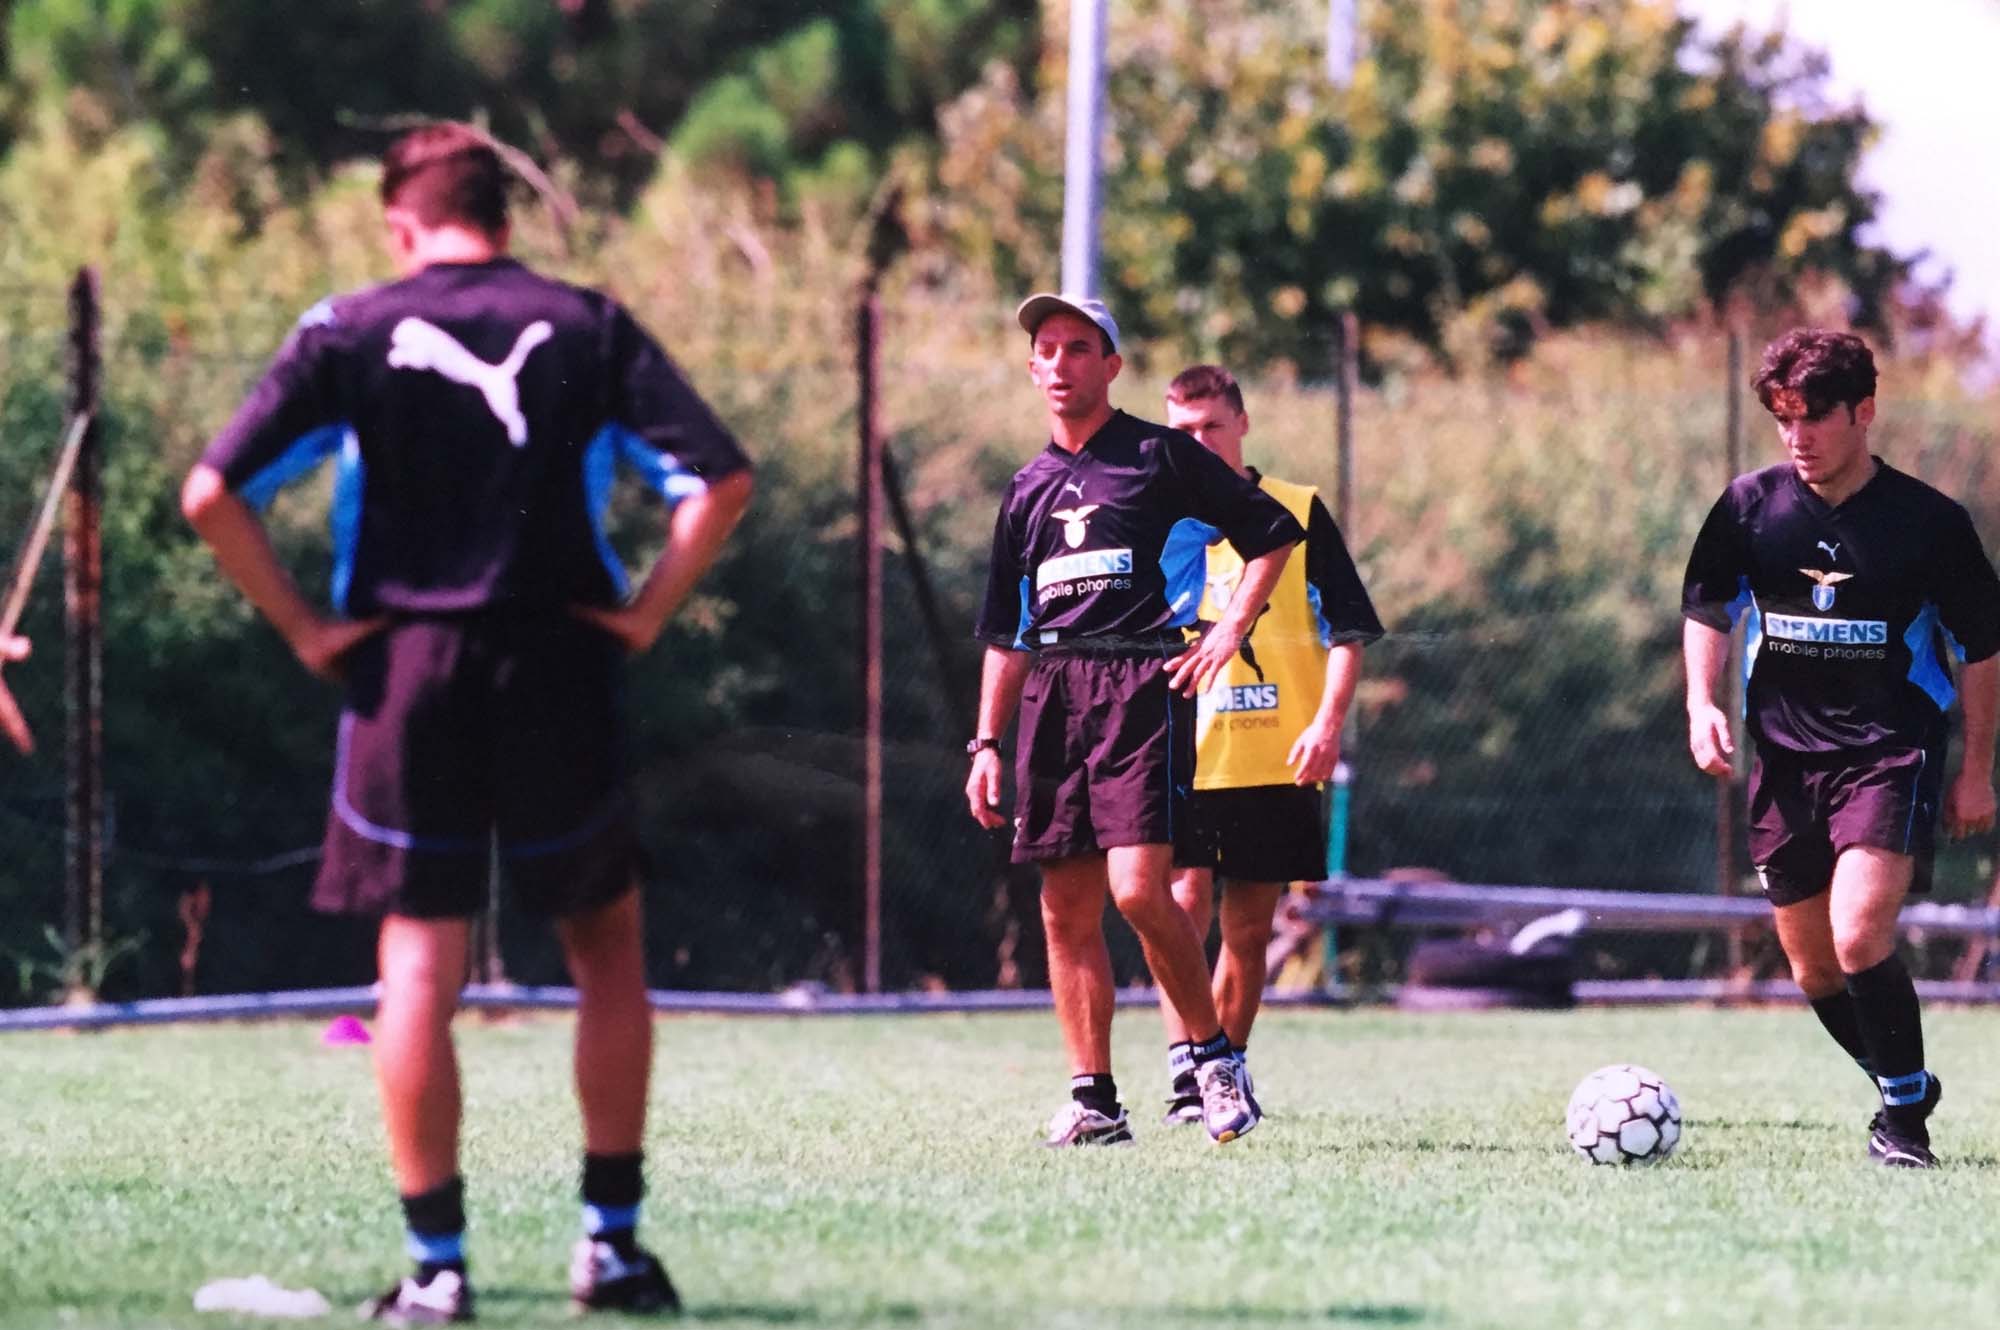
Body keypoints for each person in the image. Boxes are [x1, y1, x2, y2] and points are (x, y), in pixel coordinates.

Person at [182, 122, 754, 1319]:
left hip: (407, 673)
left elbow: (211, 492)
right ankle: (612, 1247)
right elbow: (720, 478)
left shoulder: (347, 329)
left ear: (402, 223)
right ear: (503, 215)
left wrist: (305, 630)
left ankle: (436, 1269)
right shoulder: (587, 323)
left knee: (414, 964)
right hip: (559, 662)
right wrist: (646, 613)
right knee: (606, 949)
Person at [964, 293, 1303, 1146]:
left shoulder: (1160, 456)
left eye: (1079, 347)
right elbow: (1005, 633)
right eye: (1047, 348)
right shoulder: (1027, 489)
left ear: (1111, 366)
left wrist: (1230, 628)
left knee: (1139, 890)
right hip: (1054, 695)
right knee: (1063, 910)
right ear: (1032, 367)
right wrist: (986, 743)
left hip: (1138, 684)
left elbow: (1272, 533)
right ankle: (1095, 1101)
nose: (1060, 363)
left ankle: (1213, 1063)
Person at [1682, 328, 1999, 1169]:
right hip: (1784, 761)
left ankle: (1903, 1125)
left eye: (1815, 417)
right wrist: (1700, 704)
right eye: (1784, 418)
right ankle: (1906, 1082)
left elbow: (1983, 647)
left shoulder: (1929, 523)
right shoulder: (1749, 507)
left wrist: (1976, 770)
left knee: (1858, 936)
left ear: (1864, 412)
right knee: (1814, 969)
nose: (1798, 436)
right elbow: (1708, 607)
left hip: (1890, 753)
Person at [1154, 365, 1382, 1125]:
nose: (1198, 443)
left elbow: (1348, 632)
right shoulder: (1154, 521)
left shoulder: (1297, 510)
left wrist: (1326, 725)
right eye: (1182, 432)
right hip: (1180, 751)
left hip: (1274, 756)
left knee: (1248, 929)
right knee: (1177, 912)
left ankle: (1229, 1066)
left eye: (1211, 427)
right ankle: (1189, 1072)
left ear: (1242, 424)